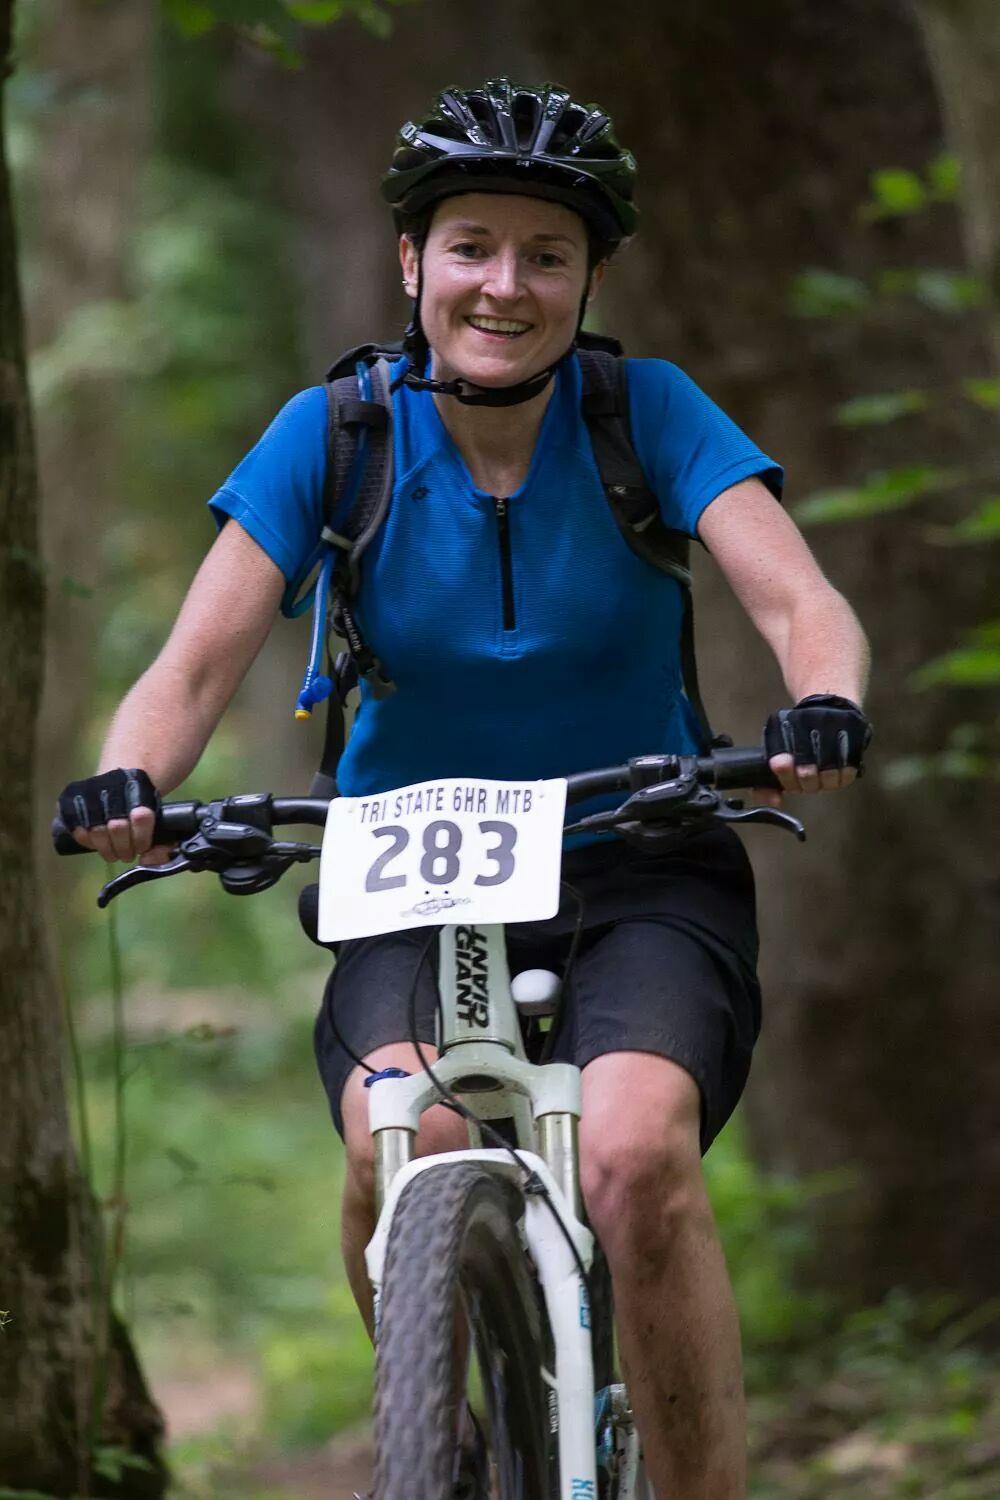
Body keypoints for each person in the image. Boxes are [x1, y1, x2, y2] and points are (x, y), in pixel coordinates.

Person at [58, 79, 871, 1499]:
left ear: (588, 278)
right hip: (403, 869)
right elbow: (190, 668)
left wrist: (824, 702)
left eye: (546, 255)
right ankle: (444, 1448)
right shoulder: (335, 435)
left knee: (630, 1155)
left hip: (638, 856)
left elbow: (805, 602)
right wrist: (131, 775)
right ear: (412, 263)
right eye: (473, 246)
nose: (507, 284)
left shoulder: (646, 413)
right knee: (405, 1140)